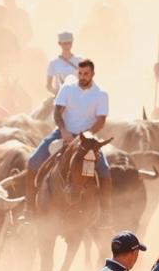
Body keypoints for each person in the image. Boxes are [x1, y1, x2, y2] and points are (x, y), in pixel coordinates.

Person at [25, 59, 111, 200]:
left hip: (87, 138)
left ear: (93, 74)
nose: (83, 77)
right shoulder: (67, 89)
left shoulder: (101, 94)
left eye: (86, 73)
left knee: (104, 169)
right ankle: (29, 206)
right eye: (80, 73)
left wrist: (87, 135)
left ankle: (107, 213)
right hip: (64, 132)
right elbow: (58, 112)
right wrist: (64, 131)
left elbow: (101, 120)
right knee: (34, 160)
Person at [46, 31, 80, 95]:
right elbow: (48, 85)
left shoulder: (79, 61)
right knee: (46, 105)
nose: (67, 46)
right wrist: (57, 93)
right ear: (59, 43)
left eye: (69, 43)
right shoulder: (53, 63)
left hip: (77, 96)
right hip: (60, 97)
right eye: (65, 43)